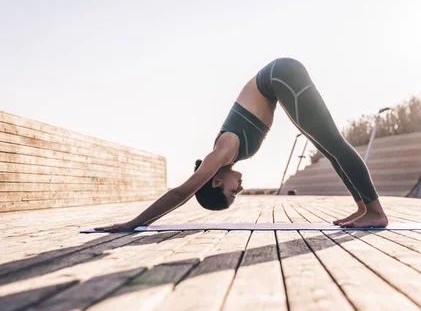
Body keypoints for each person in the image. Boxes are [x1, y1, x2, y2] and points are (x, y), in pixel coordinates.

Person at [96, 58, 388, 231]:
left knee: (334, 143)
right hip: (279, 79)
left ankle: (375, 211)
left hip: (280, 77)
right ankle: (364, 208)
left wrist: (134, 222)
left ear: (214, 182)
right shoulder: (228, 155)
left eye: (231, 192)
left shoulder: (221, 152)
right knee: (329, 148)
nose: (240, 189)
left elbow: (181, 192)